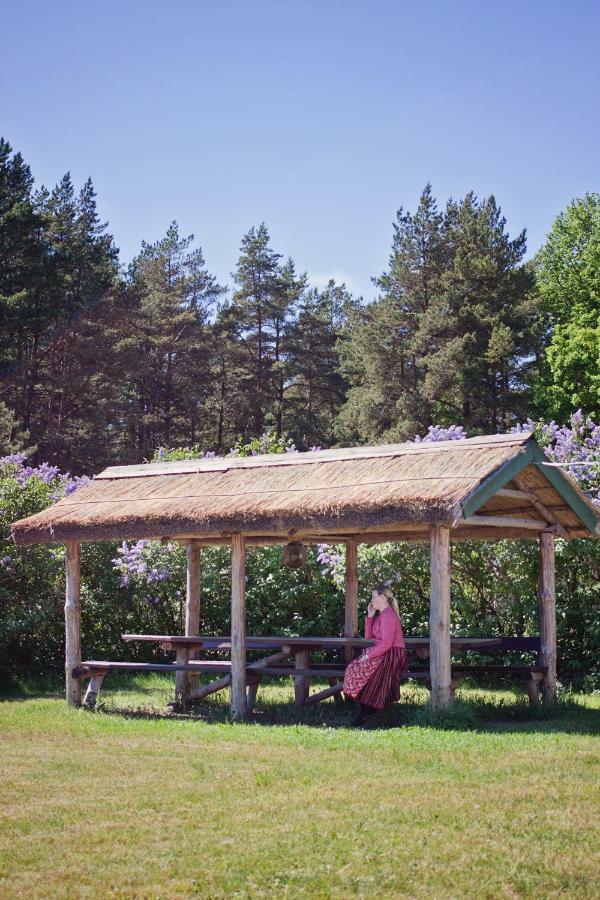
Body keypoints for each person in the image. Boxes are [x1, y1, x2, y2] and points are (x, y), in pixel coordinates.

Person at [342, 584, 408, 726]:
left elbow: (387, 644)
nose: (372, 599)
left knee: (364, 674)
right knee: (354, 669)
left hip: (390, 654)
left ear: (384, 597)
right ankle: (366, 711)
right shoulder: (382, 615)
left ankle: (367, 712)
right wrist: (370, 616)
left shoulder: (389, 615)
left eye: (374, 596)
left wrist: (368, 656)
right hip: (383, 652)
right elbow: (369, 636)